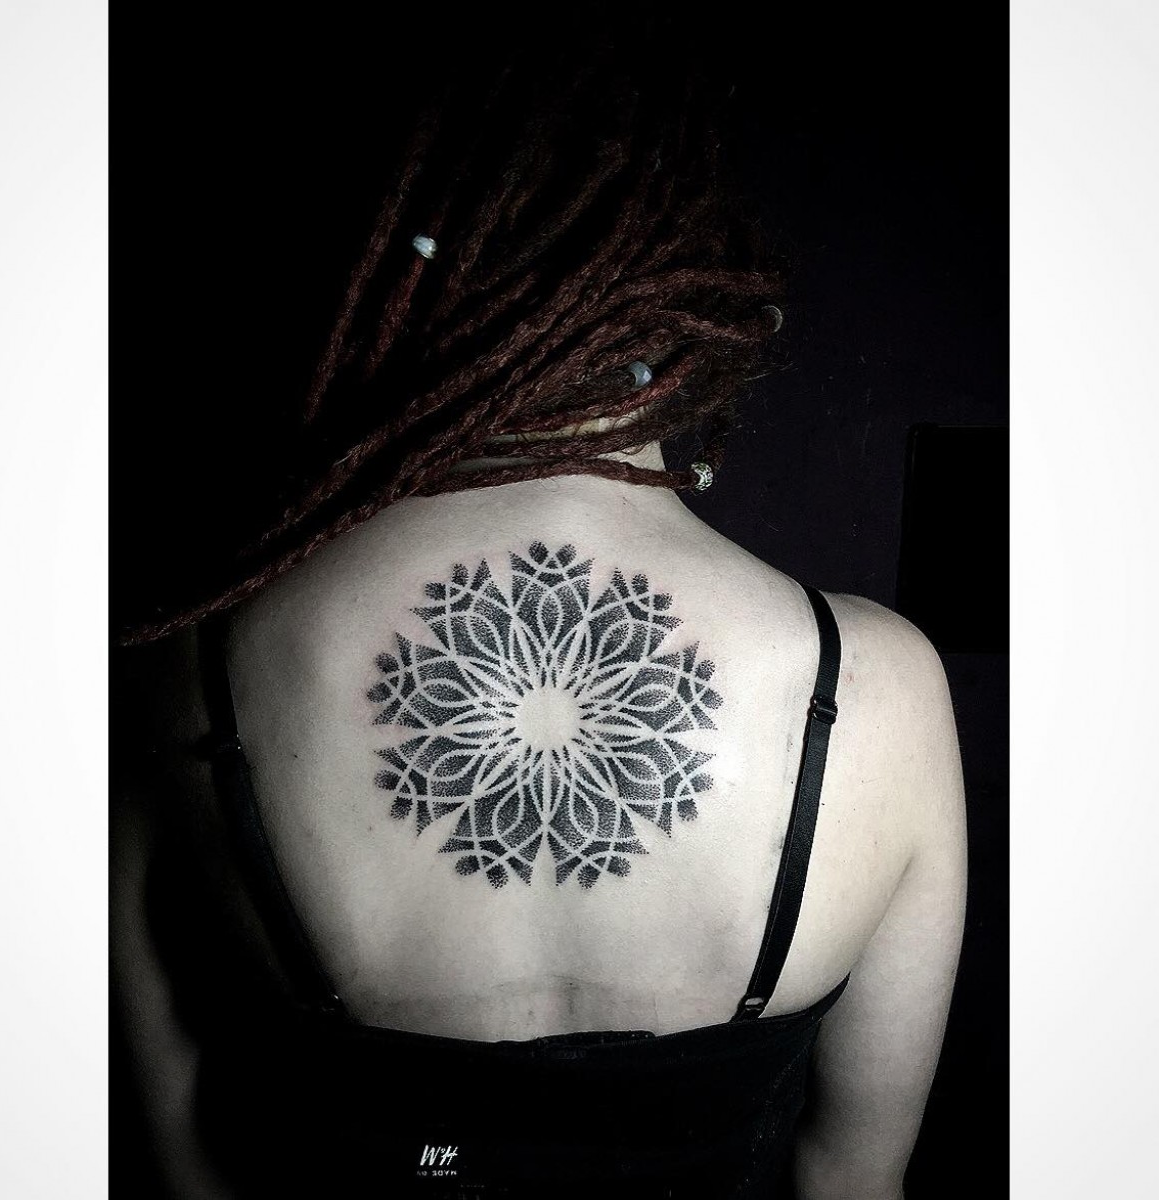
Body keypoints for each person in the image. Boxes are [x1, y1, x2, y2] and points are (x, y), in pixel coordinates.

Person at [111, 19, 966, 1198]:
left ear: (387, 271)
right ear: (694, 290)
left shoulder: (188, 662)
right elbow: (855, 1181)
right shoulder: (877, 689)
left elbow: (180, 1160)